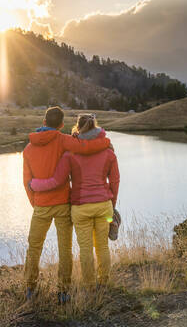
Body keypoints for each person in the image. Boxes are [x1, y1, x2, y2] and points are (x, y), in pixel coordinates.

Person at [23, 107, 111, 303]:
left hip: (41, 205)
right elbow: (87, 148)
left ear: (43, 120)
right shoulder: (64, 140)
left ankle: (30, 287)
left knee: (34, 247)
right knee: (65, 248)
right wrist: (105, 141)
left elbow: (26, 182)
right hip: (63, 203)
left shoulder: (28, 149)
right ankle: (63, 291)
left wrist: (36, 202)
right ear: (62, 125)